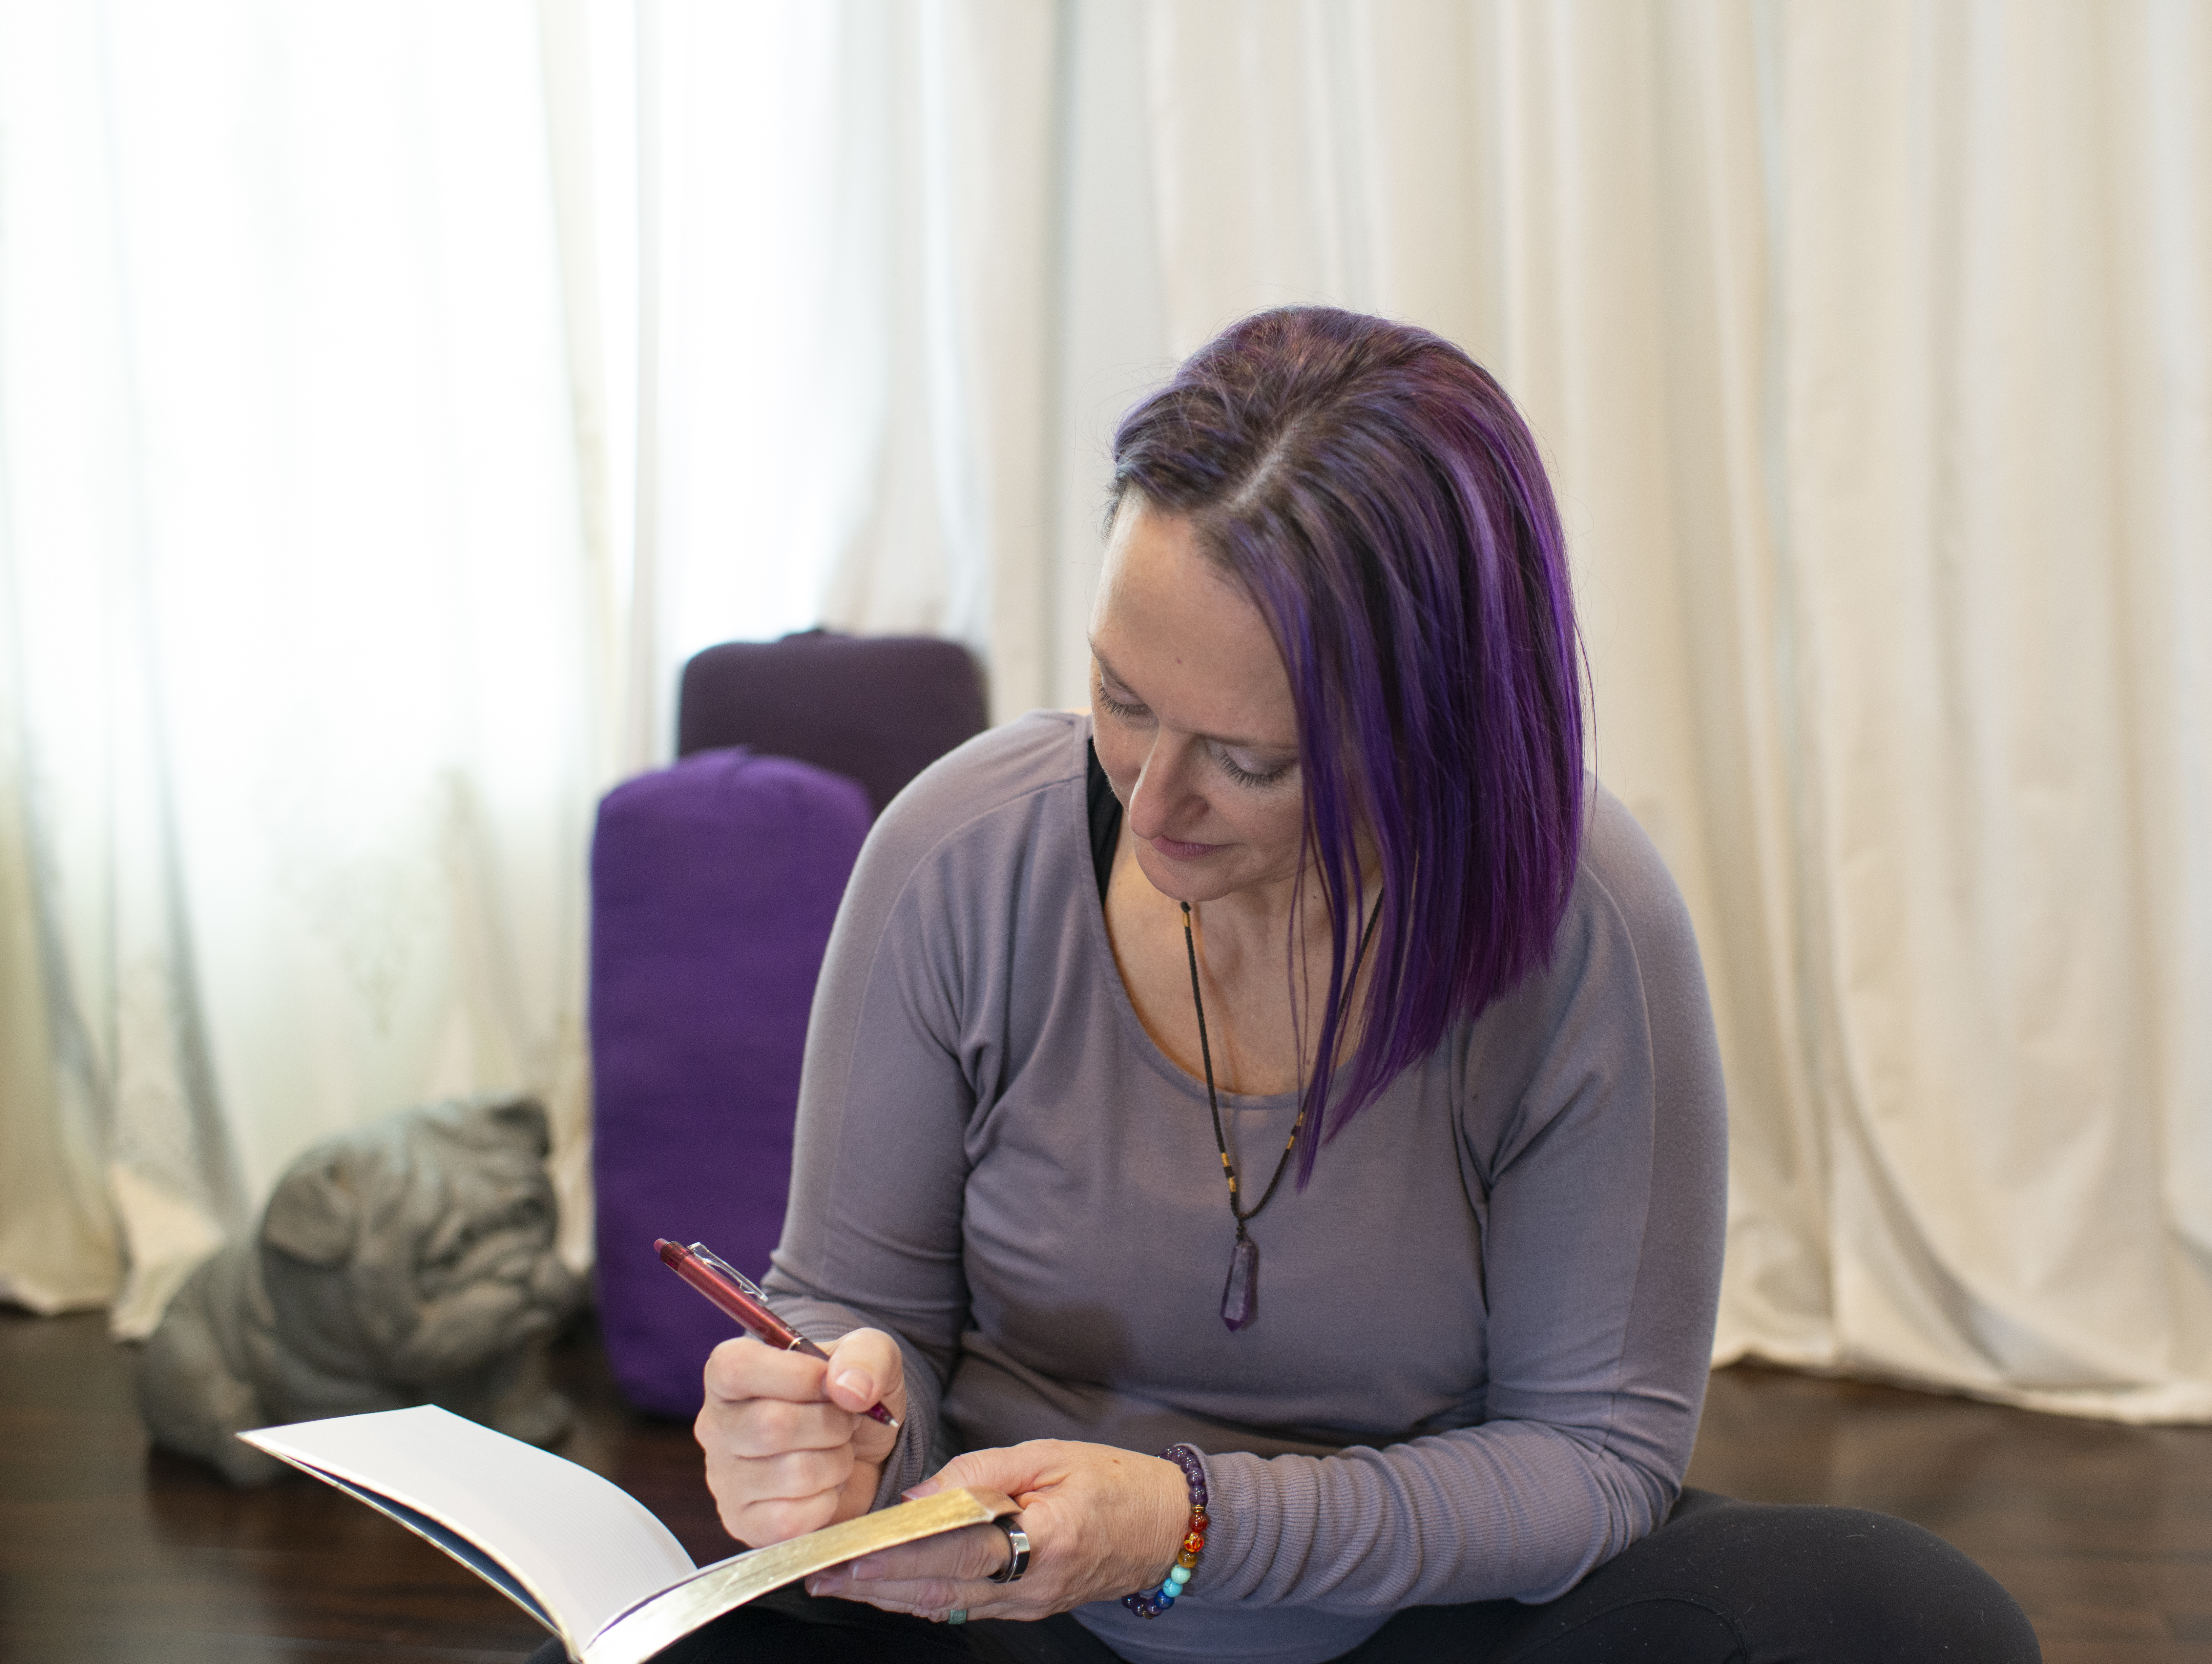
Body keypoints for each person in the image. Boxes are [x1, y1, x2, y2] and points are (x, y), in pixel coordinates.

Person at [644, 309, 2041, 1664]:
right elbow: (844, 1310)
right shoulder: (960, 852)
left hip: (1418, 1623)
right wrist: (828, 1424)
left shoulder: (1588, 924)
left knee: (1901, 1621)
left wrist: (1184, 1523)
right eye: (1123, 699)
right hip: (1024, 1615)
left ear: (1437, 731)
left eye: (1251, 759)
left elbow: (1593, 1462)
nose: (1154, 802)